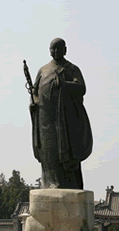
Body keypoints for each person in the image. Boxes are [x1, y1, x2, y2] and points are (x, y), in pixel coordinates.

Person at [29, 38, 92, 189]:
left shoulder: (71, 69)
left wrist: (64, 85)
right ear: (49, 50)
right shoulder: (43, 71)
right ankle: (50, 182)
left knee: (67, 151)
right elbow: (35, 92)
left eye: (59, 48)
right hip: (46, 119)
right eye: (53, 49)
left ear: (65, 50)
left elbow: (81, 87)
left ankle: (69, 183)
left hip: (66, 119)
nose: (56, 52)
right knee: (49, 151)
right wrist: (34, 103)